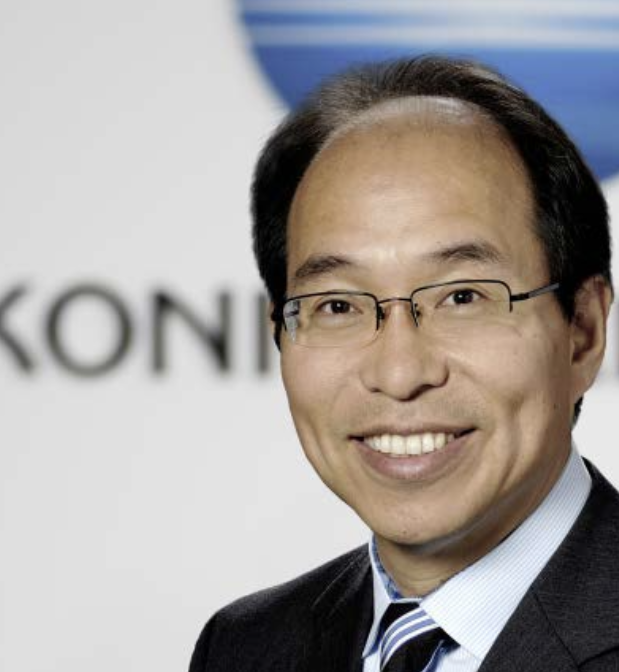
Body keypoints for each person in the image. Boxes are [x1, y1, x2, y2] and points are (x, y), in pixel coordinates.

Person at [189, 55, 617, 671]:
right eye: (337, 305)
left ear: (583, 331)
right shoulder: (245, 648)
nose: (399, 374)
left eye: (462, 297)